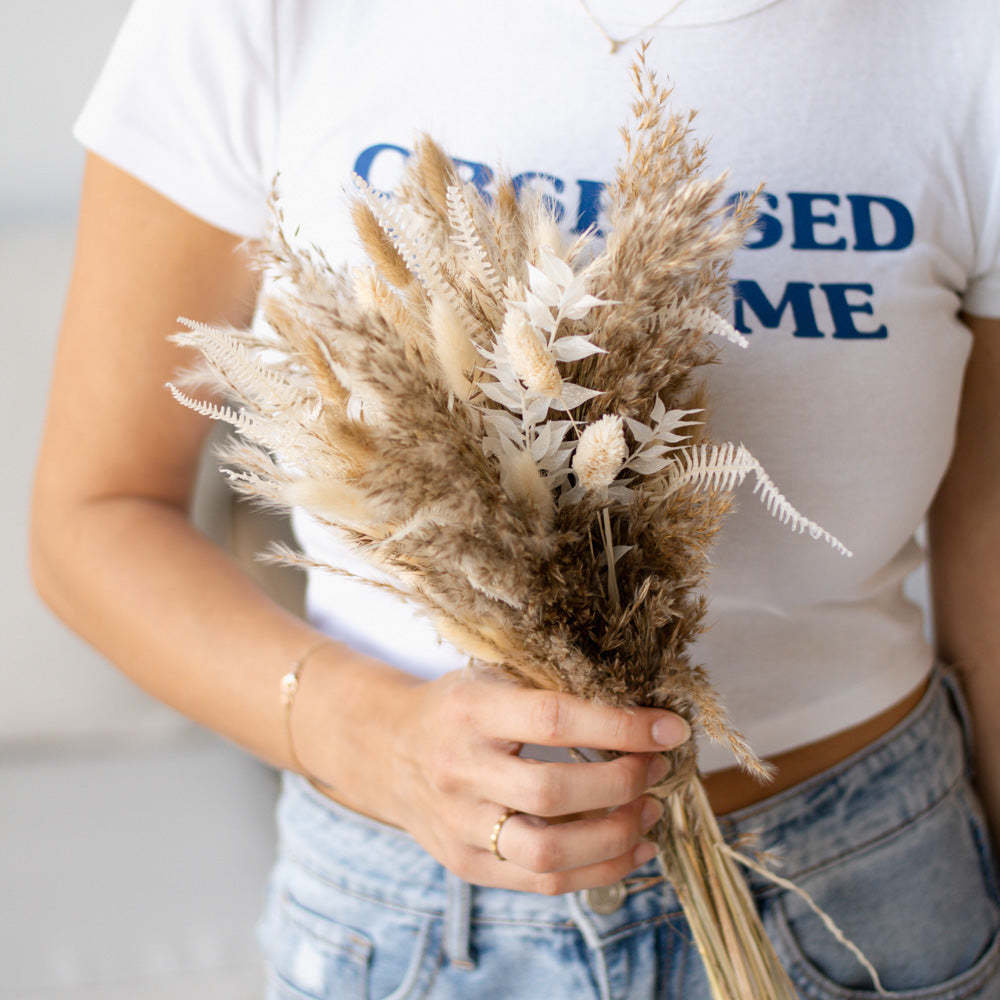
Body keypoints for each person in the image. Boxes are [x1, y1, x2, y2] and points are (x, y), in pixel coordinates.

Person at [31, 1, 1000, 997]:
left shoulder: (962, 37)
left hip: (864, 894)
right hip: (413, 919)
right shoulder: (262, 17)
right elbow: (95, 514)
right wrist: (369, 735)